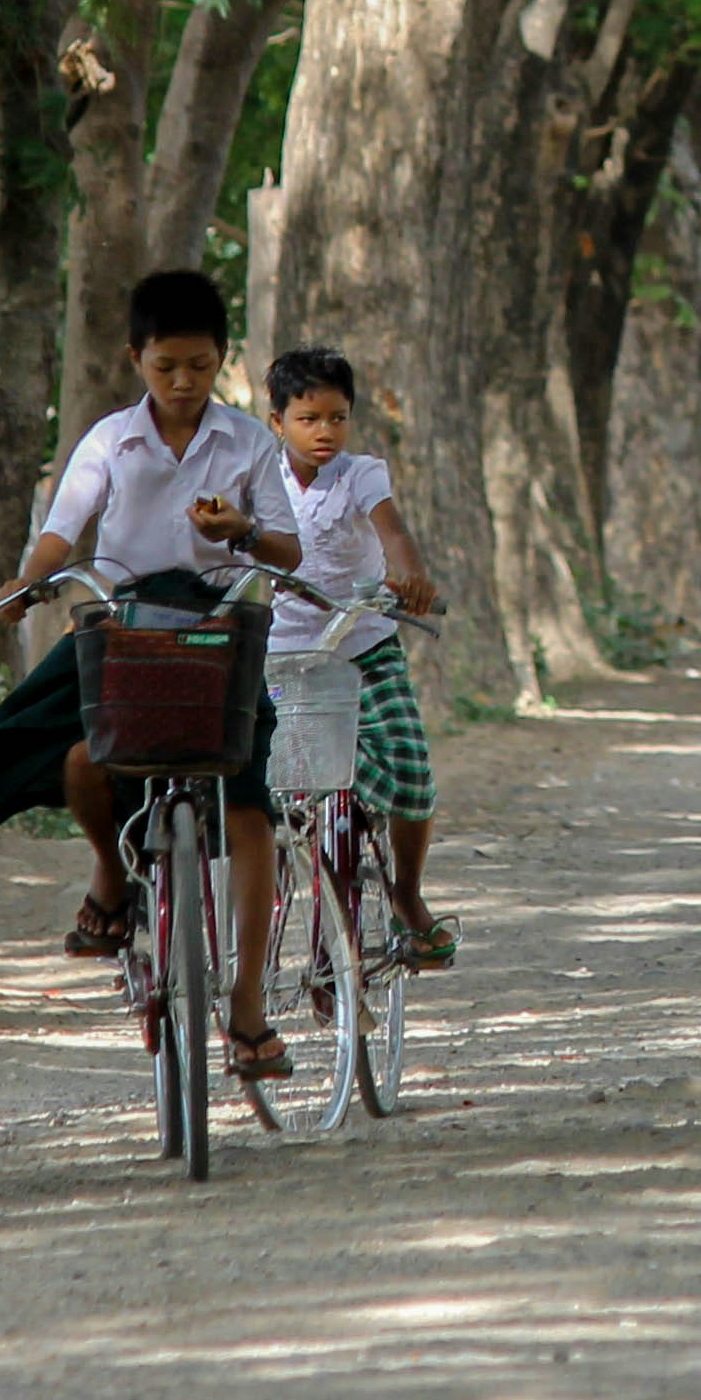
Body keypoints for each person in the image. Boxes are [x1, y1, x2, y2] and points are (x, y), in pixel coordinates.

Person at [0, 269, 306, 1076]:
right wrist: (26, 580)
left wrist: (243, 530)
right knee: (77, 755)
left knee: (249, 803)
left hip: (223, 628)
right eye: (165, 367)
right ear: (135, 360)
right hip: (127, 623)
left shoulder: (251, 441)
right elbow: (61, 532)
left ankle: (249, 1008)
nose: (183, 383)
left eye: (199, 365)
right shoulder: (110, 440)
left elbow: (289, 550)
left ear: (223, 357)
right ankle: (112, 878)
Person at [261, 347, 455, 966]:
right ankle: (280, 933)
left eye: (338, 418)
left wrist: (411, 577)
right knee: (277, 793)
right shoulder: (256, 481)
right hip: (283, 660)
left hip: (363, 646)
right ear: (277, 423)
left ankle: (407, 896)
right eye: (309, 418)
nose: (325, 432)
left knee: (412, 771)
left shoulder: (361, 475)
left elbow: (392, 532)